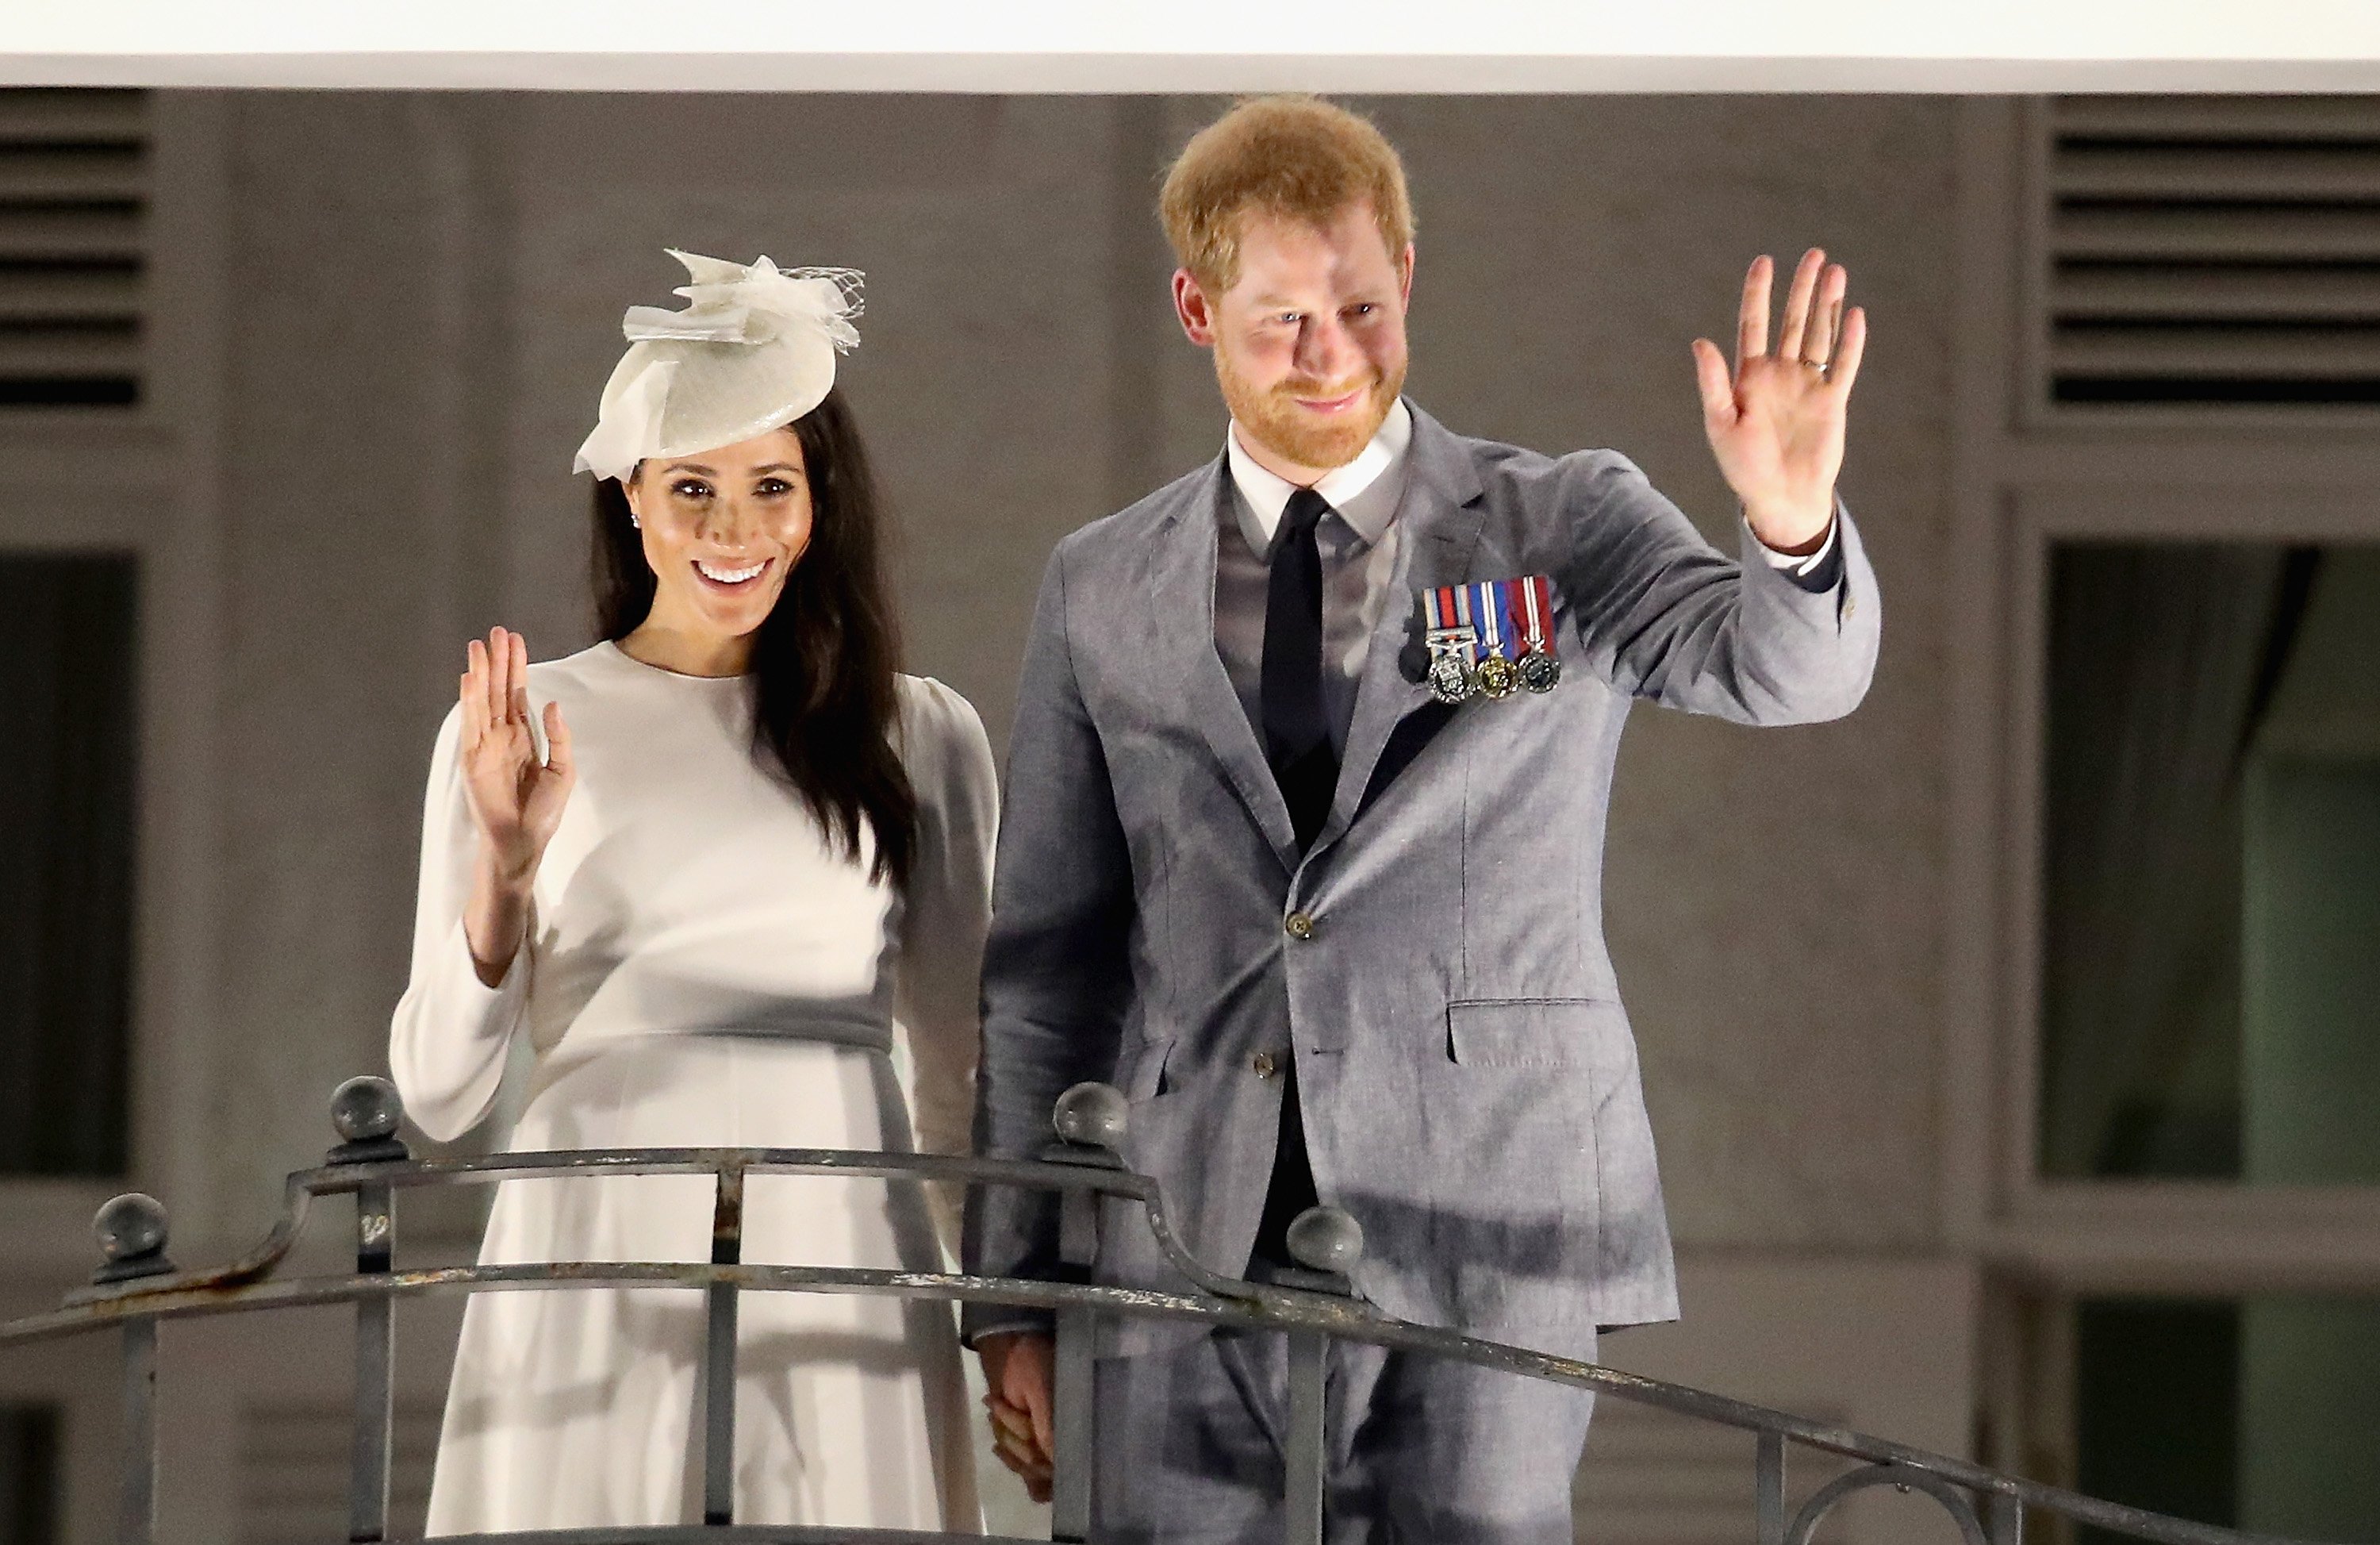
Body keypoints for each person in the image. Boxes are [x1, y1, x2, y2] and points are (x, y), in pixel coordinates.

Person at [963, 96, 1881, 1541]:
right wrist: (1012, 1291)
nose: (1329, 352)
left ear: (1409, 273)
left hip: (1490, 1223)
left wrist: (1792, 523)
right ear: (1196, 309)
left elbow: (1785, 671)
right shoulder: (1099, 584)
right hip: (1165, 1236)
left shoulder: (1560, 523)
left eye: (1363, 302)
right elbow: (1046, 962)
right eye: (1281, 318)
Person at [390, 251, 990, 1533]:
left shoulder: (919, 734)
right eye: (693, 488)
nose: (734, 529)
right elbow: (438, 1096)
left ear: (816, 507)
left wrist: (1005, 1319)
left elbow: (960, 1067)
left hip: (849, 1233)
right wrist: (505, 866)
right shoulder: (527, 722)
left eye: (771, 487)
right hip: (588, 1229)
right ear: (634, 504)